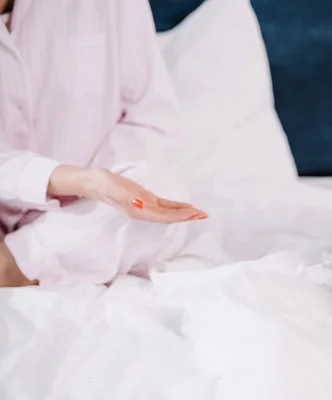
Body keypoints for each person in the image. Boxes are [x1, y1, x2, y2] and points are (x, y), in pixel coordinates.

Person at [0, 0, 206, 287]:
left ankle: (15, 267)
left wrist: (99, 189)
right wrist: (77, 180)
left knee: (159, 192)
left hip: (91, 211)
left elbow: (151, 119)